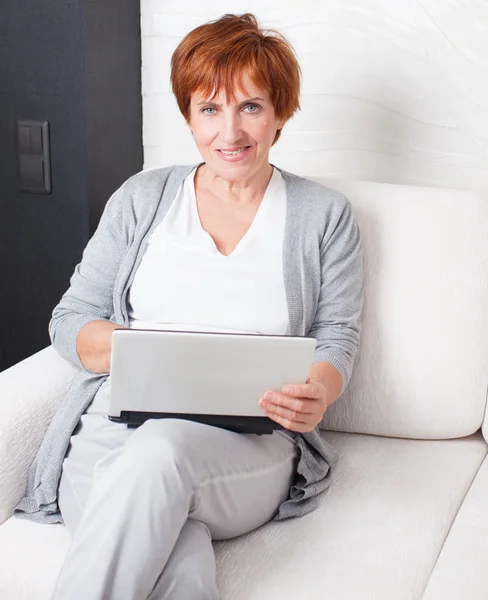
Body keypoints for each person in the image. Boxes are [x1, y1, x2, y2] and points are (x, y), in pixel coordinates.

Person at [13, 13, 364, 600]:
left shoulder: (323, 216)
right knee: (176, 559)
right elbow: (70, 320)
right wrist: (144, 355)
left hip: (246, 447)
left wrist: (318, 392)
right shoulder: (142, 197)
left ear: (280, 112)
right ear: (187, 115)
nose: (231, 131)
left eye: (250, 106)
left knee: (161, 454)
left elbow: (337, 338)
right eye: (210, 109)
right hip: (110, 433)